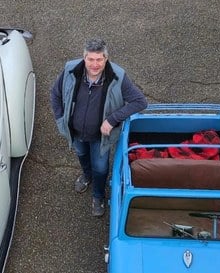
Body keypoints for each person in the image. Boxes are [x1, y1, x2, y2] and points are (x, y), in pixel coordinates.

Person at [50, 39, 148, 216]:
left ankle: (98, 195)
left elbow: (140, 101)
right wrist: (60, 119)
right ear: (84, 58)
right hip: (76, 132)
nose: (95, 65)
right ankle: (87, 176)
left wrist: (112, 120)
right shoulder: (70, 70)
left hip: (100, 137)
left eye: (99, 59)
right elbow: (55, 94)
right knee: (81, 154)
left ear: (106, 59)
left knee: (101, 167)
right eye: (91, 59)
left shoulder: (118, 76)